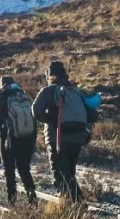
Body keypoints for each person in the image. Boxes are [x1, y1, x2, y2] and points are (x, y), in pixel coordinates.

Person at [32, 60, 97, 202]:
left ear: (50, 75)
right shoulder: (75, 90)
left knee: (60, 175)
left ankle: (74, 207)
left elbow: (36, 110)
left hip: (58, 137)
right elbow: (92, 115)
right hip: (77, 139)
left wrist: (50, 119)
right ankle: (76, 205)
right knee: (69, 173)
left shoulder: (50, 90)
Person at [0, 76, 37, 205]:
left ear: (2, 84)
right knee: (24, 168)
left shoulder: (3, 96)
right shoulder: (24, 95)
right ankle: (31, 194)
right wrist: (33, 140)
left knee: (9, 169)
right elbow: (33, 119)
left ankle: (12, 200)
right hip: (27, 138)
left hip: (9, 139)